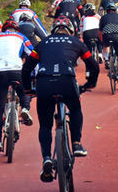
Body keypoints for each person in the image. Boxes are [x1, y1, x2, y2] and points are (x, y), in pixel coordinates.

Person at [21, 16, 99, 182]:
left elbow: (27, 68)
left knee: (45, 125)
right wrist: (89, 84)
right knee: (76, 109)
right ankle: (77, 143)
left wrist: (28, 89)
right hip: (67, 81)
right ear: (71, 30)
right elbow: (93, 65)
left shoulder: (43, 43)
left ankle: (47, 158)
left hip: (44, 83)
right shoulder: (76, 42)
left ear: (53, 30)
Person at [0, 20, 35, 153]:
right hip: (17, 70)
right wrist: (32, 71)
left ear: (3, 29)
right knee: (25, 91)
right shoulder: (21, 37)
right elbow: (32, 53)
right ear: (17, 29)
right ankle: (25, 109)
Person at [99, 1, 118, 87]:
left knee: (107, 46)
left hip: (106, 37)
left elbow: (100, 32)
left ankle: (107, 59)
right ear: (115, 10)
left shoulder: (103, 18)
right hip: (117, 37)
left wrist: (102, 42)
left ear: (106, 11)